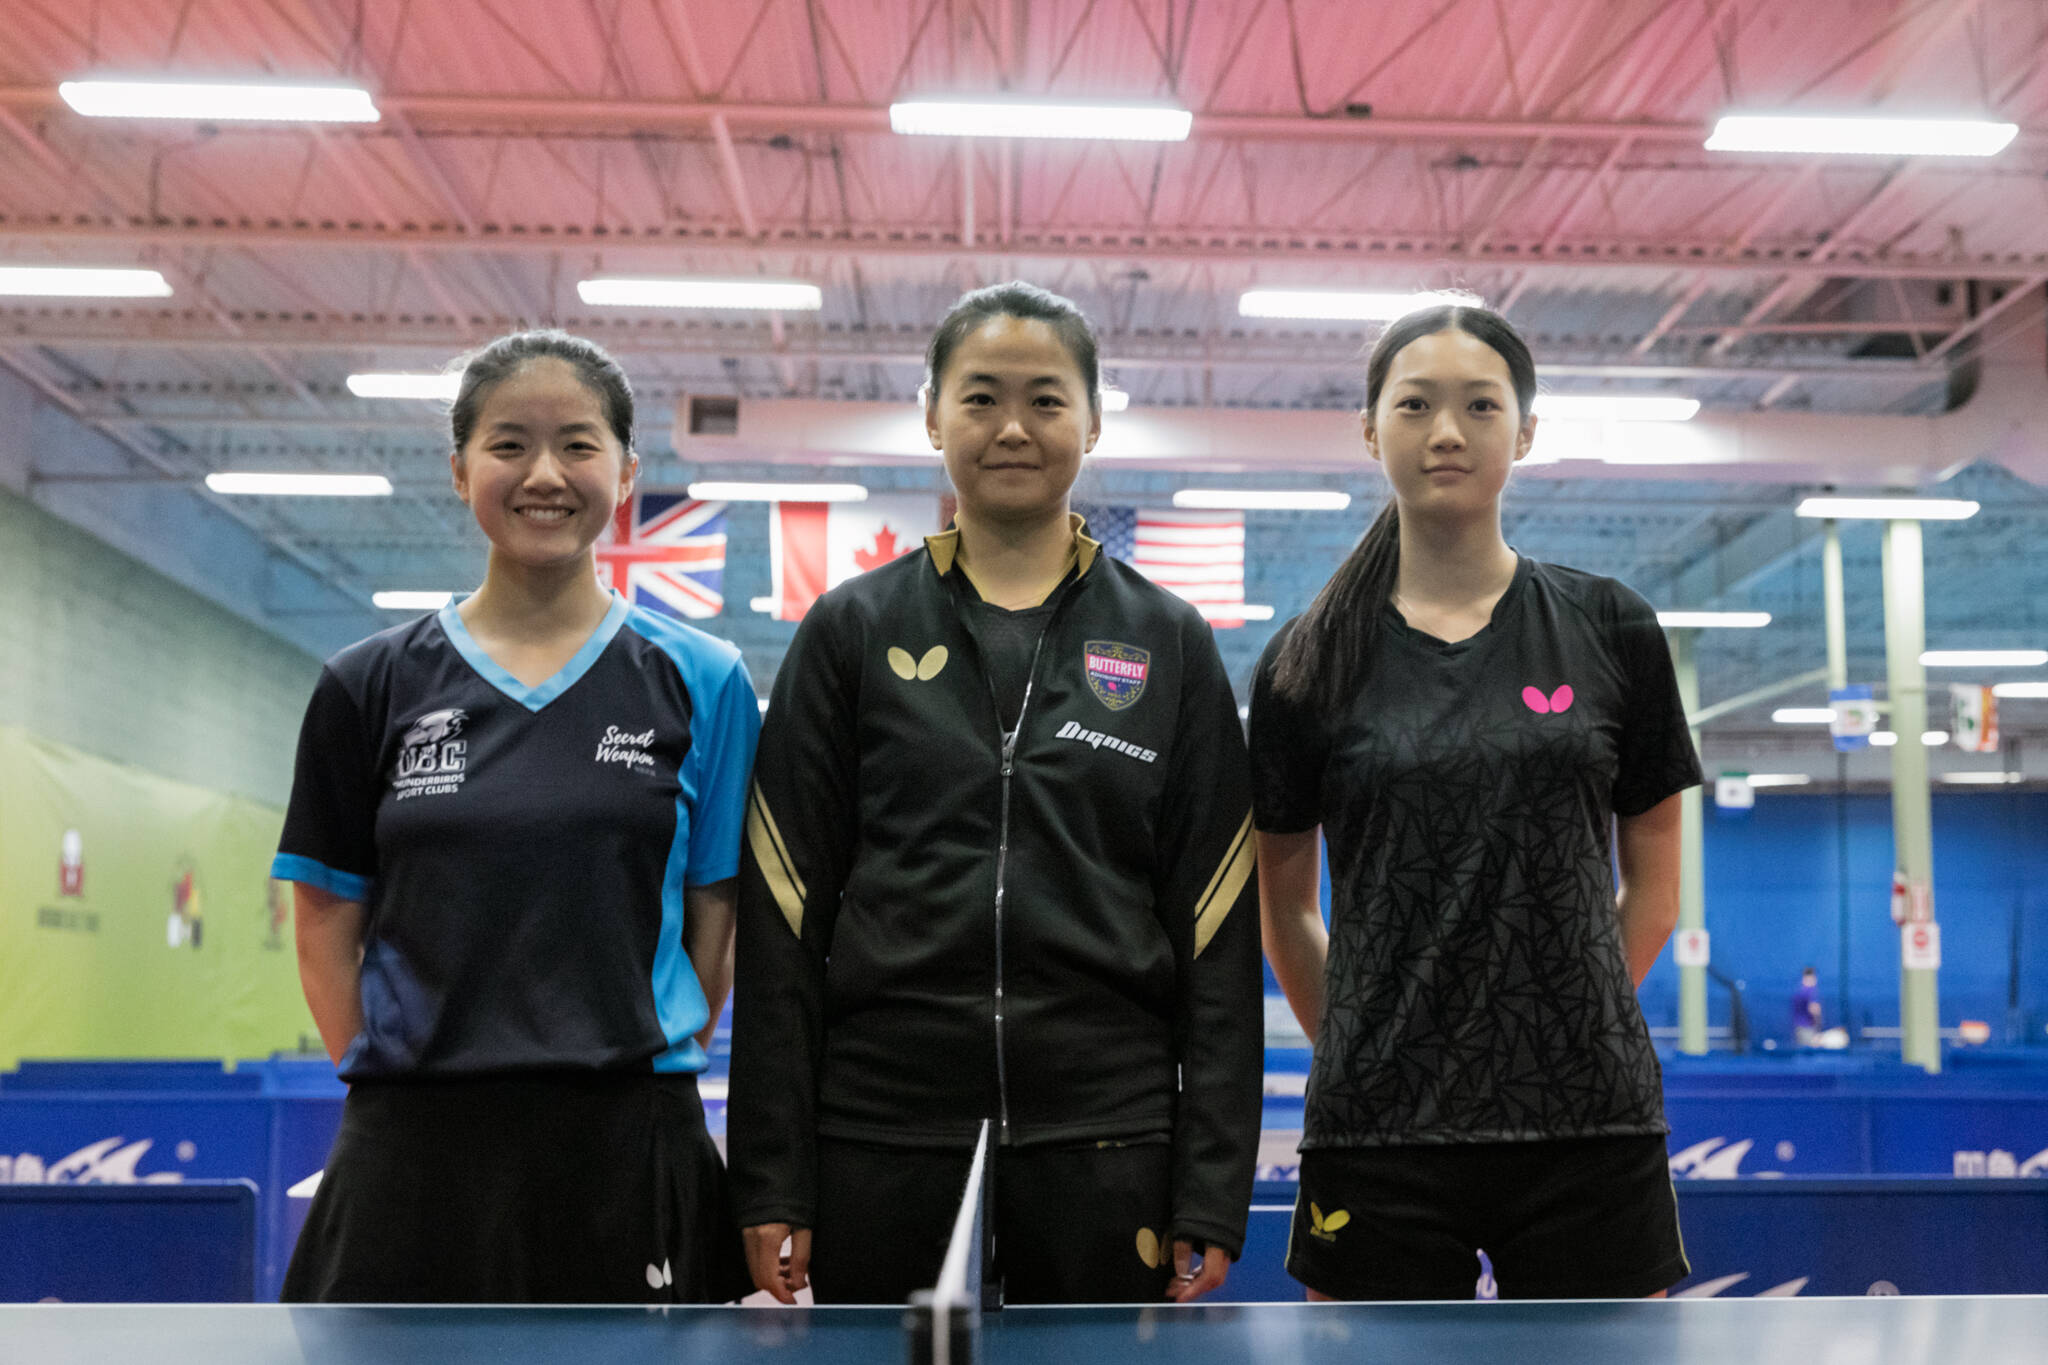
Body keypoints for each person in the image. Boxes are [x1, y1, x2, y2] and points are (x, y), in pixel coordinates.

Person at [728, 281, 1262, 1306]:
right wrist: (772, 1171)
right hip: (882, 1132)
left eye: (1045, 400)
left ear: (1093, 420)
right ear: (932, 417)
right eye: (979, 398)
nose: (1011, 426)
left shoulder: (1167, 642)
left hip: (1107, 1137)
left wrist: (1209, 1186)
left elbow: (1215, 930)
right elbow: (783, 921)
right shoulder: (847, 632)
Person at [271, 329, 759, 1303]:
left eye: (578, 444)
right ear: (459, 472)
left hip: (628, 1143)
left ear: (626, 473)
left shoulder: (705, 680)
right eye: (508, 444)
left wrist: (632, 1060)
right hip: (413, 1150)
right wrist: (406, 1079)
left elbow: (715, 914)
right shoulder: (366, 683)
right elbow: (326, 920)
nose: (544, 473)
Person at [1251, 303, 1701, 1302]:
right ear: (1370, 430)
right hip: (1375, 1127)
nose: (1444, 431)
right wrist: (1372, 1037)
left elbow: (1655, 891)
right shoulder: (1301, 662)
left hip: (1588, 1120)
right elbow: (1282, 910)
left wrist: (1562, 1012)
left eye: (1477, 405)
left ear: (1524, 430)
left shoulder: (1610, 626)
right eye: (1413, 405)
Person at [1793, 967, 1823, 1047]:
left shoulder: (1799, 991)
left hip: (1799, 1028)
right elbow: (1814, 1010)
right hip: (1808, 1029)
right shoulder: (1810, 991)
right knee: (1809, 1053)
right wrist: (1818, 1031)